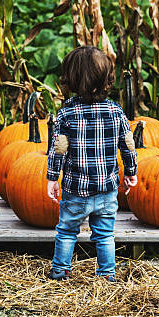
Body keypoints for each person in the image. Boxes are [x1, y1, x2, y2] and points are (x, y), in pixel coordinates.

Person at [46, 46, 138, 282]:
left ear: (71, 79)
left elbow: (59, 149)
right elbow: (128, 145)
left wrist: (52, 177)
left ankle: (60, 272)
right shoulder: (116, 111)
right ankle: (107, 275)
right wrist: (131, 172)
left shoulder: (66, 114)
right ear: (107, 80)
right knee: (105, 235)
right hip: (106, 190)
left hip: (76, 190)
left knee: (66, 232)